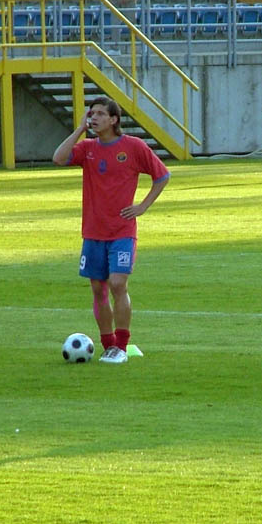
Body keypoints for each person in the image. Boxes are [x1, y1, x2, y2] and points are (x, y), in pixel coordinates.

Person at [52, 96, 169, 364]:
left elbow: (162, 175)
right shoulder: (88, 148)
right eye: (91, 114)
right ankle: (109, 345)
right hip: (93, 232)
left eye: (100, 114)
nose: (94, 118)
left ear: (114, 120)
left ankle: (122, 345)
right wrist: (80, 129)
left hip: (122, 231)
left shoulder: (133, 147)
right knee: (97, 289)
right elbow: (58, 158)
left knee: (118, 283)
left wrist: (142, 206)